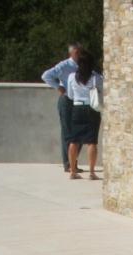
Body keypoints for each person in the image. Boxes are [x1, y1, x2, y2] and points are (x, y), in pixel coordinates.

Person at [41, 44, 82, 172]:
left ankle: (73, 161)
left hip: (79, 100)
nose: (80, 54)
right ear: (72, 53)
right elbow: (46, 75)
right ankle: (68, 164)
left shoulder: (83, 65)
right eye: (77, 52)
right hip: (67, 100)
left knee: (80, 132)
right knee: (68, 133)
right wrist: (58, 87)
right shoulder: (64, 65)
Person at [63, 50, 103, 180]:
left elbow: (70, 95)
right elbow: (101, 91)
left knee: (73, 140)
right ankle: (92, 172)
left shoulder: (71, 77)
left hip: (77, 108)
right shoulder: (96, 77)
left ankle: (72, 171)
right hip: (91, 108)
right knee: (92, 142)